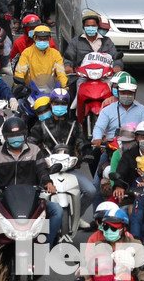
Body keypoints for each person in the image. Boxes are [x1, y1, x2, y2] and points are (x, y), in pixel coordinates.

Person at [0, 118, 62, 257]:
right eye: (11, 136)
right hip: (3, 199)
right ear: (5, 137)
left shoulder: (35, 151)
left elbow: (42, 171)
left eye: (18, 135)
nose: (15, 139)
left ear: (25, 135)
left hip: (32, 199)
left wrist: (48, 183)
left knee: (57, 211)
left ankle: (46, 247)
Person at [29, 87, 98, 220]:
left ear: (68, 105)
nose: (59, 106)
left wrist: (87, 152)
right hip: (46, 170)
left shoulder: (74, 125)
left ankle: (77, 216)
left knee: (91, 191)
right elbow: (31, 144)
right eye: (56, 103)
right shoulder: (41, 125)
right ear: (51, 105)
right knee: (33, 194)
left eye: (63, 104)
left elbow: (82, 143)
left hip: (69, 169)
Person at [80, 207, 142, 281]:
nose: (109, 231)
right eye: (106, 227)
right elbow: (86, 269)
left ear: (124, 228)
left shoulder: (136, 245)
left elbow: (143, 273)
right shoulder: (97, 246)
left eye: (113, 228)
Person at [91, 74, 144, 148]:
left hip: (135, 148)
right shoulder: (107, 110)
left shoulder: (142, 110)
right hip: (112, 147)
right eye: (123, 92)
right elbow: (99, 127)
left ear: (135, 93)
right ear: (118, 92)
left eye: (129, 93)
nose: (126, 95)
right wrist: (97, 138)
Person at [14, 25, 68, 94]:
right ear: (34, 39)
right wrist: (19, 85)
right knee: (19, 103)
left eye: (45, 39)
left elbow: (61, 73)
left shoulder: (55, 54)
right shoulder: (27, 53)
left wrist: (65, 86)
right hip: (31, 91)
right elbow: (20, 72)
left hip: (50, 91)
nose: (42, 41)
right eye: (39, 39)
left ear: (49, 39)